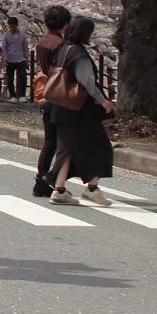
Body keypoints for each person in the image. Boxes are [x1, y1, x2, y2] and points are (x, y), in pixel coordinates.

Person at [49, 16, 115, 206]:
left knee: (67, 150)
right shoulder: (78, 53)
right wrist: (103, 101)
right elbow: (87, 82)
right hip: (78, 111)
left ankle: (59, 190)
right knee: (100, 146)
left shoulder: (62, 49)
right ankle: (92, 188)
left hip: (60, 107)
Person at [31, 4, 72, 197]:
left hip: (46, 94)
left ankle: (40, 180)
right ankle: (54, 181)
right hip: (60, 95)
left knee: (50, 141)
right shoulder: (60, 45)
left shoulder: (43, 42)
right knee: (64, 142)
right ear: (65, 23)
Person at [0, 15, 29, 102]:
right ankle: (12, 95)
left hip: (20, 58)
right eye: (10, 26)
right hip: (10, 59)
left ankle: (22, 96)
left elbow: (25, 47)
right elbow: (4, 47)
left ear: (17, 25)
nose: (12, 27)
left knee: (23, 76)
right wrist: (4, 59)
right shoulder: (6, 35)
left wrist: (26, 58)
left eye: (13, 26)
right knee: (10, 78)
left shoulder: (23, 35)